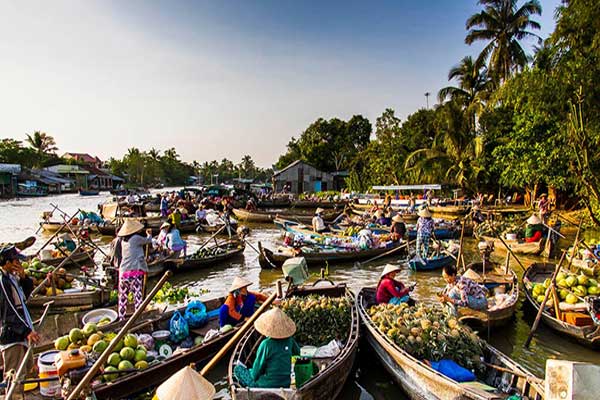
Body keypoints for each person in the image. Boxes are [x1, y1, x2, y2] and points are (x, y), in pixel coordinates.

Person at [234, 307, 300, 388]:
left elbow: (256, 372)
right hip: (285, 383)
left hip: (266, 385)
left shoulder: (266, 344)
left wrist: (250, 373)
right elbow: (297, 352)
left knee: (238, 369)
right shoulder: (289, 340)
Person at [0, 245, 39, 383]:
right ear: (7, 263)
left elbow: (24, 298)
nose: (19, 264)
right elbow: (9, 312)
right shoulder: (2, 281)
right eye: (16, 261)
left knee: (29, 374)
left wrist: (24, 278)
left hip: (21, 333)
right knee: (14, 379)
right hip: (13, 336)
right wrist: (26, 331)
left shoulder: (12, 278)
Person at [113, 220, 153, 320]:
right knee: (137, 297)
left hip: (123, 273)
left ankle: (121, 318)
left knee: (122, 298)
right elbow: (148, 240)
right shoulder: (135, 238)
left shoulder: (123, 241)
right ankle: (138, 317)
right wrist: (149, 234)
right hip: (134, 272)